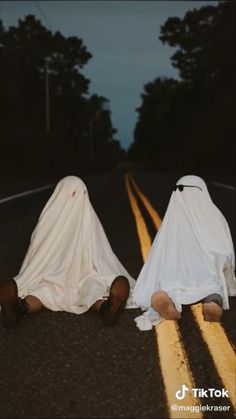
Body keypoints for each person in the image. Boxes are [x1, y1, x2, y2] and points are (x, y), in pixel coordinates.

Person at [0, 176, 135, 329]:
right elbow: (102, 255)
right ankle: (106, 307)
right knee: (92, 288)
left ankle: (18, 308)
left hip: (55, 278)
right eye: (74, 194)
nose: (76, 199)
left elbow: (35, 255)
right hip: (77, 277)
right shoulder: (87, 220)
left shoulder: (49, 219)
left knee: (43, 291)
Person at [133, 175, 236, 331]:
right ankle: (213, 303)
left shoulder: (170, 223)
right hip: (208, 275)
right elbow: (226, 248)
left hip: (175, 278)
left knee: (171, 288)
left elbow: (157, 257)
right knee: (212, 288)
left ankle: (170, 302)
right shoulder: (215, 217)